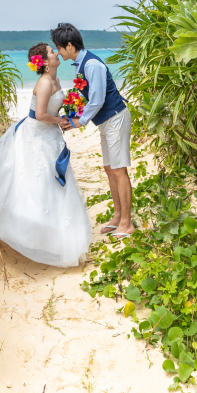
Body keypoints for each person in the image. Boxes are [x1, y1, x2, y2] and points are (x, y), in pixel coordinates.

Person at [0, 42, 92, 267]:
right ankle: (29, 232)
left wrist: (72, 110)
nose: (56, 53)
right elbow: (40, 114)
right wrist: (61, 120)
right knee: (35, 182)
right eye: (52, 52)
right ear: (45, 62)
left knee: (55, 182)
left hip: (50, 136)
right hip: (36, 135)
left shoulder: (56, 80)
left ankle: (54, 236)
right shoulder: (45, 82)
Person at [51, 22, 134, 238]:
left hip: (115, 118)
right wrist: (74, 114)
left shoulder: (92, 65)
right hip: (106, 122)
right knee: (109, 168)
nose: (58, 52)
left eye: (59, 47)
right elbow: (86, 96)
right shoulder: (81, 64)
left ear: (69, 45)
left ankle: (127, 223)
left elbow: (97, 99)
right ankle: (117, 216)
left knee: (119, 170)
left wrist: (79, 122)